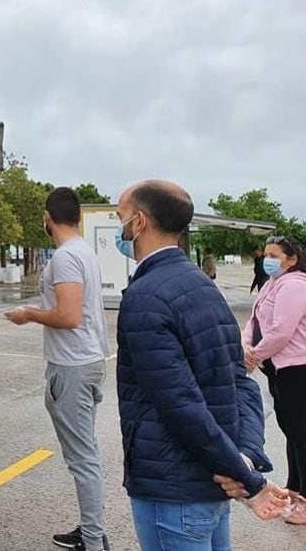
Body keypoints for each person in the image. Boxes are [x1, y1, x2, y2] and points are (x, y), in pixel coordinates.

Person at [114, 180, 289, 550]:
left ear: (140, 222)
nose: (121, 229)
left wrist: (248, 478)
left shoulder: (145, 296)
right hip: (209, 486)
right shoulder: (202, 285)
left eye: (121, 218)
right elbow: (241, 383)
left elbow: (180, 405)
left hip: (173, 493)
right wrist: (244, 458)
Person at [5, 187, 110, 551]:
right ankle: (91, 528)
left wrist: (28, 314)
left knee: (82, 459)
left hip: (72, 368)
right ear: (78, 217)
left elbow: (68, 315)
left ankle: (94, 540)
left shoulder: (66, 257)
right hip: (89, 361)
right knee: (87, 452)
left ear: (47, 217)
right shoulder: (85, 252)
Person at [239, 236, 306, 524]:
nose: (267, 259)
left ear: (292, 260)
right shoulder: (271, 284)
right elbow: (253, 322)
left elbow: (281, 331)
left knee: (302, 436)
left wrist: (254, 356)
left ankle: (304, 500)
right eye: (266, 254)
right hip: (278, 368)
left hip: (297, 368)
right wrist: (245, 348)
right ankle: (294, 491)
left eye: (274, 255)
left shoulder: (294, 285)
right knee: (293, 433)